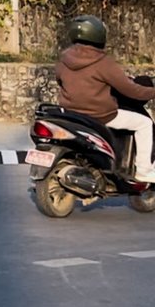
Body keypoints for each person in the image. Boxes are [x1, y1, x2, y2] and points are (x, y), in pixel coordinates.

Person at [55, 14, 155, 183]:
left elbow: (60, 80)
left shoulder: (64, 58)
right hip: (101, 115)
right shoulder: (103, 62)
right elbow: (132, 91)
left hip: (70, 114)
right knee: (144, 124)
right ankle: (144, 171)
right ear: (99, 36)